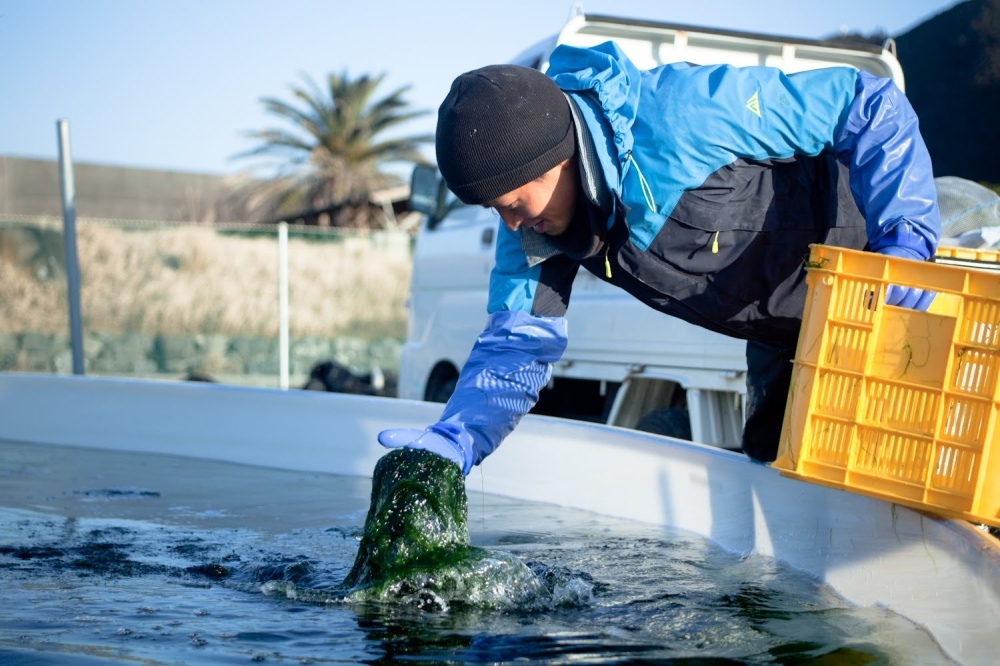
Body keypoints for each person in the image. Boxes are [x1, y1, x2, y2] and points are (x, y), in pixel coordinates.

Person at [379, 41, 941, 473]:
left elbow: (869, 104)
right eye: (493, 211)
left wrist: (906, 242)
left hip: (874, 278)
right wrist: (460, 434)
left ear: (557, 160)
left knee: (912, 466)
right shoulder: (534, 230)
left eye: (511, 203)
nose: (509, 223)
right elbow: (515, 346)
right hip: (786, 332)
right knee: (776, 472)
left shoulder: (684, 114)